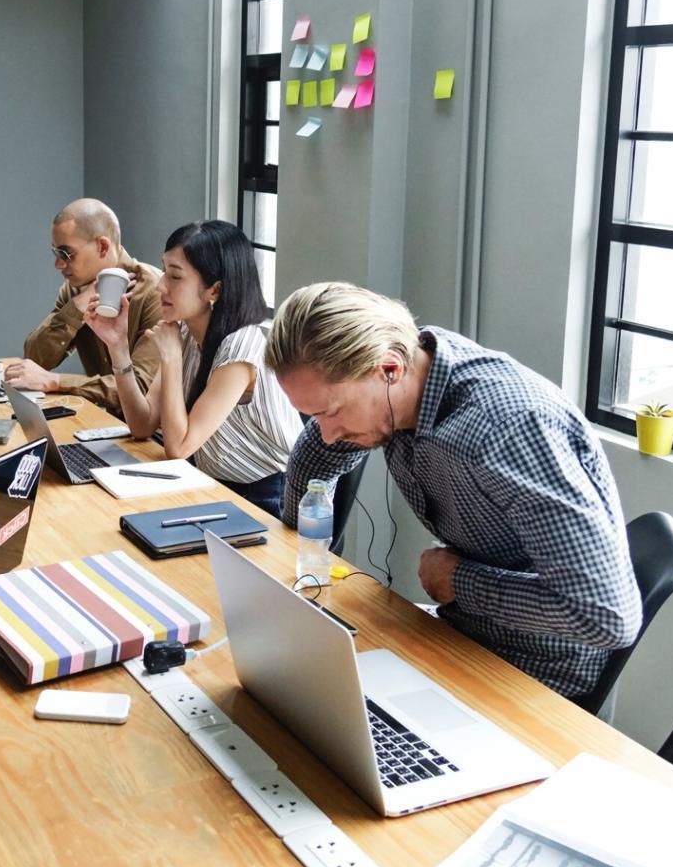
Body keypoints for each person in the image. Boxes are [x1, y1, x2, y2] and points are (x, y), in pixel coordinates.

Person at [263, 281, 641, 698]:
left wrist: (459, 581)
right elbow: (318, 453)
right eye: (313, 415)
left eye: (331, 413)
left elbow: (605, 617)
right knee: (291, 687)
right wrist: (298, 544)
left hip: (533, 672)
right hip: (458, 629)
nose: (328, 434)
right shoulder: (413, 366)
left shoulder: (509, 429)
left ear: (389, 369)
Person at [84, 221, 304, 517]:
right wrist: (118, 345)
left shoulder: (242, 348)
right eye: (164, 271)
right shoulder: (184, 332)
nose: (161, 285)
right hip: (210, 482)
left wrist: (172, 358)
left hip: (266, 496)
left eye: (175, 276)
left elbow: (179, 448)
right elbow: (142, 424)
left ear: (215, 289)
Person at [4, 198, 164, 416]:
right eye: (56, 254)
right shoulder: (75, 290)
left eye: (66, 254)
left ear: (102, 246)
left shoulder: (156, 292)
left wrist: (57, 382)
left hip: (151, 436)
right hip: (105, 421)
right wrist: (77, 308)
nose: (58, 265)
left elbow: (140, 388)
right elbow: (35, 358)